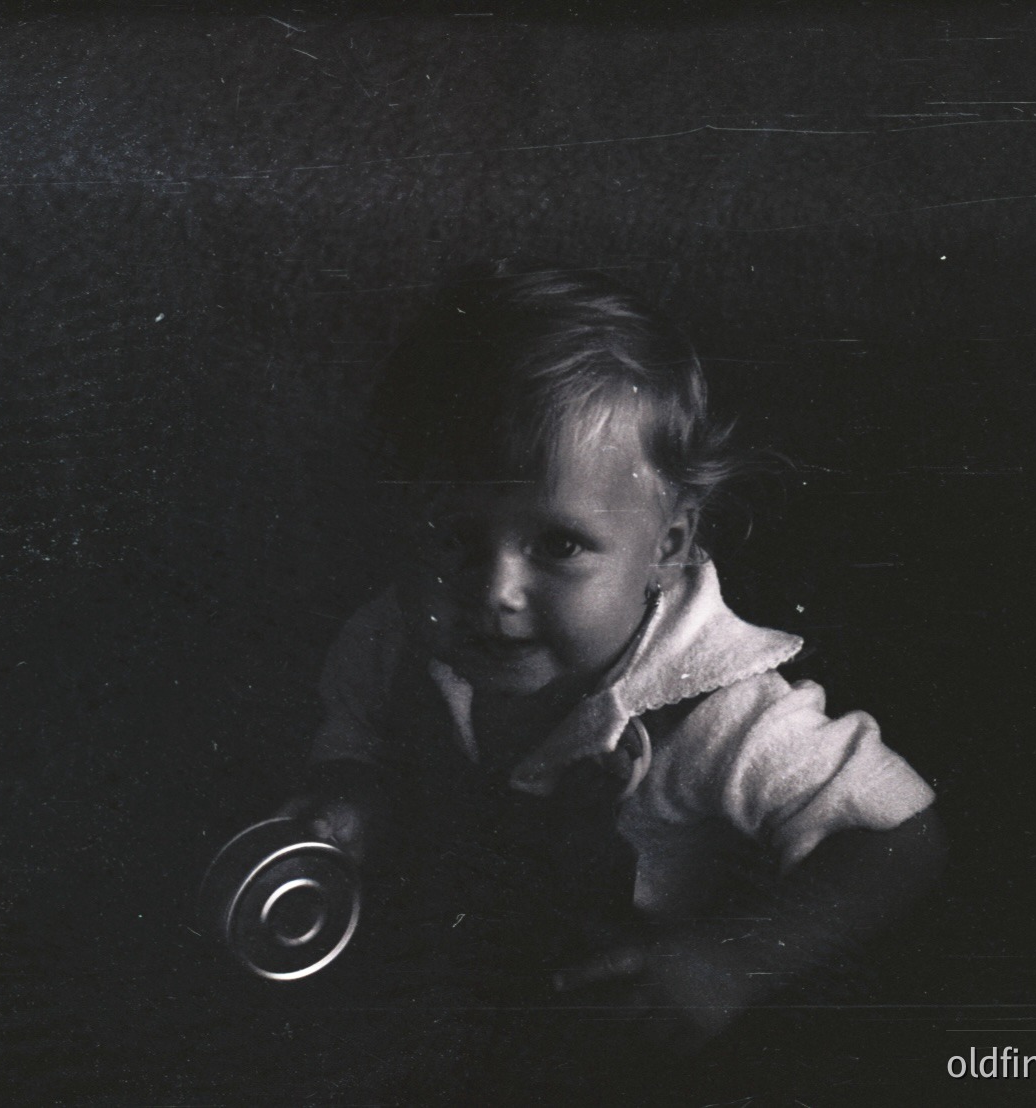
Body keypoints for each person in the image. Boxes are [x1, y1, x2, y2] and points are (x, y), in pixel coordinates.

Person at [279, 264, 947, 1062]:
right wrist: (349, 806)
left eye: (558, 544)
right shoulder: (392, 640)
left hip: (638, 1027)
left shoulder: (715, 706)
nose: (496, 592)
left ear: (668, 547)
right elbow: (357, 745)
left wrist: (731, 962)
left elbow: (901, 836)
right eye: (455, 539)